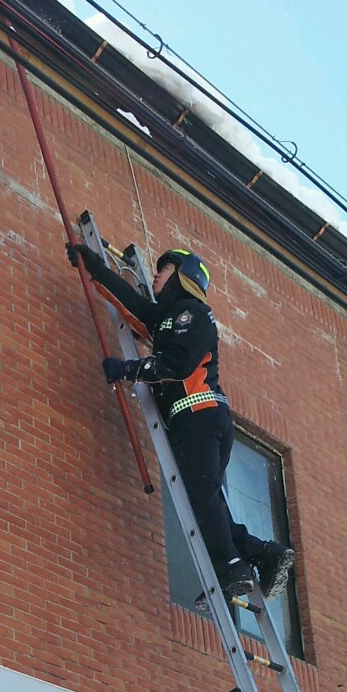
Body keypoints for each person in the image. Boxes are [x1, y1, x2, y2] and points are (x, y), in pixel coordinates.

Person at [67, 239, 295, 609]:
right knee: (208, 501)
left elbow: (177, 364)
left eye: (165, 269)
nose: (156, 275)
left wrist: (127, 369)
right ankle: (261, 553)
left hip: (198, 416)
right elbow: (136, 309)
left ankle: (231, 567)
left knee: (201, 499)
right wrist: (94, 266)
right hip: (198, 420)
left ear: (184, 277)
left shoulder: (194, 313)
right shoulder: (169, 320)